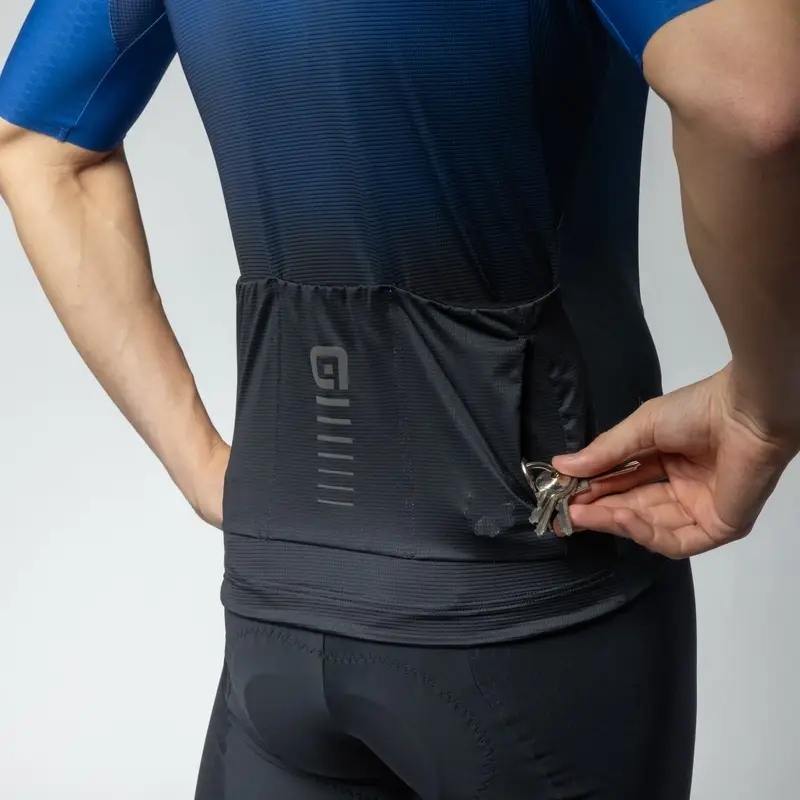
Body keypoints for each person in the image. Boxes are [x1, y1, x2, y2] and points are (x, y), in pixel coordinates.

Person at [0, 0, 798, 796]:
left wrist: (205, 465)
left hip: (281, 592)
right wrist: (765, 408)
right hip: (538, 596)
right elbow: (753, 96)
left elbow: (36, 144)